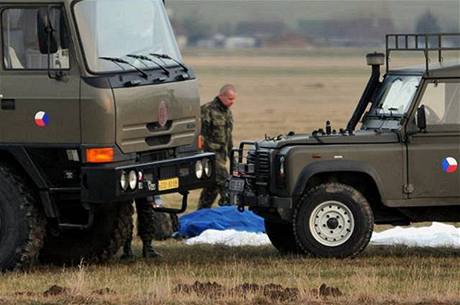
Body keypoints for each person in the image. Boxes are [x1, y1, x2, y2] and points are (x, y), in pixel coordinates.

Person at [198, 84, 236, 209]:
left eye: (234, 99)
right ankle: (228, 213)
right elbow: (199, 135)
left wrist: (232, 157)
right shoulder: (207, 110)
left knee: (211, 188)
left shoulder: (228, 113)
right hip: (210, 156)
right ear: (221, 96)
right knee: (226, 184)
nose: (232, 102)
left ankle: (201, 213)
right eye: (230, 99)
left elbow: (228, 138)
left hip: (222, 156)